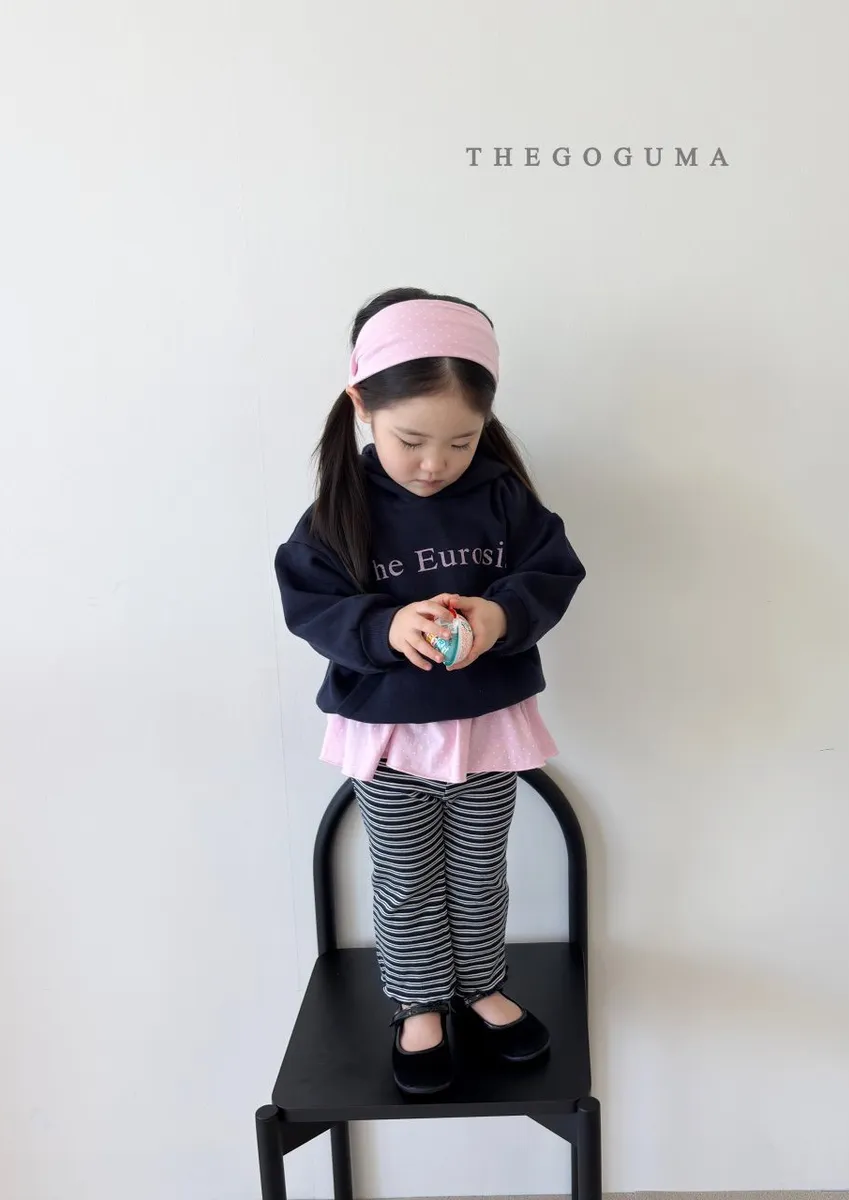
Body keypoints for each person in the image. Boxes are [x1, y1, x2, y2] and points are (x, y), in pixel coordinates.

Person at [274, 286, 585, 1095]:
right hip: (389, 736)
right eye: (411, 439)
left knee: (480, 872)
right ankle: (419, 1006)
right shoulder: (340, 508)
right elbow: (310, 602)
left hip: (486, 728)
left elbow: (553, 571)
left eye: (461, 441)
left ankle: (481, 986)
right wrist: (386, 629)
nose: (434, 463)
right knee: (407, 879)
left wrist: (498, 615)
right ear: (361, 406)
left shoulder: (501, 495)